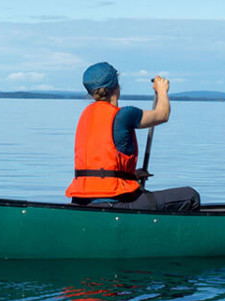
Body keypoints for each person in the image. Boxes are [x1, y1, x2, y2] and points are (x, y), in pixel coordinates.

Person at [65, 62, 200, 211]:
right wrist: (161, 91)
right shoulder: (125, 115)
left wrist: (131, 176)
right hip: (115, 202)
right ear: (116, 87)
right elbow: (162, 114)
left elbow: (100, 169)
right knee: (190, 196)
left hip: (80, 202)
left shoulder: (85, 116)